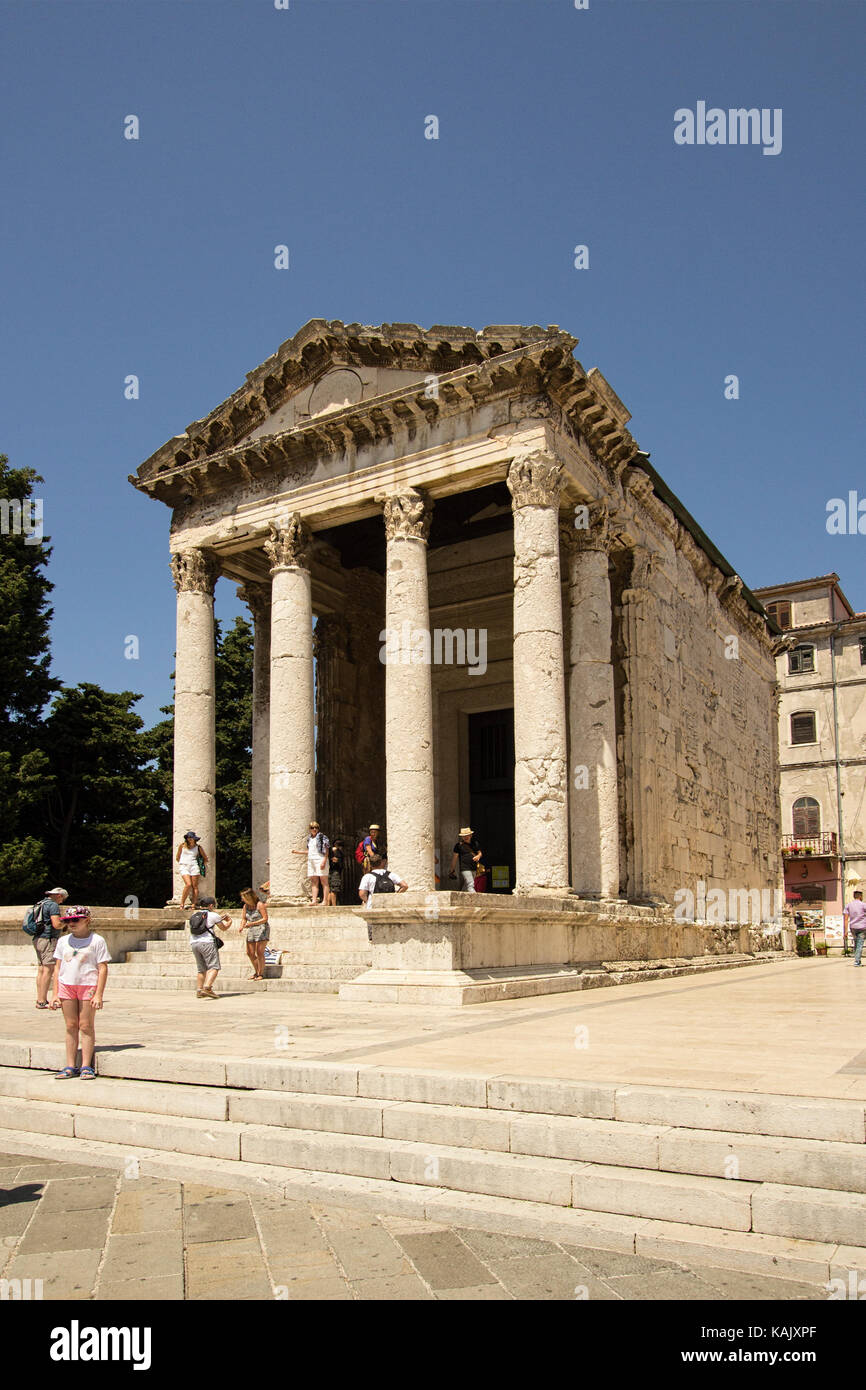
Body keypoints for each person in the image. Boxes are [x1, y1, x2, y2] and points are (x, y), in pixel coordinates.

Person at [50, 907, 110, 1080]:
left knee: (85, 1025)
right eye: (68, 921)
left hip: (88, 985)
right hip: (67, 985)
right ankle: (70, 1064)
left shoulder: (97, 940)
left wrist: (99, 994)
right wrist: (55, 994)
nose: (71, 924)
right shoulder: (63, 941)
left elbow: (102, 967)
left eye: (75, 920)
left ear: (87, 920)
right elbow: (58, 967)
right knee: (70, 1025)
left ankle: (85, 1064)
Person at [30, 887, 68, 1010]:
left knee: (41, 969)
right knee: (48, 969)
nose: (62, 902)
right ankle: (42, 1001)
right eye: (63, 898)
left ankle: (40, 998)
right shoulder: (53, 906)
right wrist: (66, 923)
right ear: (59, 896)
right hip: (48, 939)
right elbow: (56, 924)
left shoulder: (41, 903)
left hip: (37, 939)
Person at [189, 895, 231, 998]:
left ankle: (199, 990)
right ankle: (207, 988)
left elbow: (206, 924)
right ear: (211, 905)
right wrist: (229, 921)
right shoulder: (213, 915)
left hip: (194, 943)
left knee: (201, 968)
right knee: (214, 967)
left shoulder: (194, 915)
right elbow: (223, 928)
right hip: (207, 943)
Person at [292, 821, 329, 905]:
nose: (314, 829)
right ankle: (314, 900)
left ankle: (325, 901)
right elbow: (310, 851)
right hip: (311, 860)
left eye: (316, 827)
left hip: (320, 859)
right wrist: (298, 852)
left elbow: (327, 850)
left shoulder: (322, 837)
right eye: (312, 828)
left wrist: (324, 861)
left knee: (324, 881)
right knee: (314, 881)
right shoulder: (309, 838)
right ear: (309, 829)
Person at [238, 888, 269, 981]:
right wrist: (241, 926)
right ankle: (256, 971)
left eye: (243, 897)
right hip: (251, 929)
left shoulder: (260, 905)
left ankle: (260, 973)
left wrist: (252, 923)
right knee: (250, 952)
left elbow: (265, 918)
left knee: (259, 952)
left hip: (261, 928)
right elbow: (244, 918)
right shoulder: (245, 906)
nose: (242, 899)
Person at [176, 831, 208, 910]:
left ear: (194, 839)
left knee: (195, 886)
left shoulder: (198, 847)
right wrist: (183, 863)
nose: (189, 839)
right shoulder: (182, 846)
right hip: (184, 866)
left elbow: (205, 858)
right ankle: (182, 903)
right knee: (188, 884)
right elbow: (177, 857)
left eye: (191, 838)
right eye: (188, 838)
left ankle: (193, 904)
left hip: (194, 866)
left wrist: (201, 865)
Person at [450, 827, 483, 893]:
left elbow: (480, 853)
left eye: (467, 835)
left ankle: (460, 900)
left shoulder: (475, 843)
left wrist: (478, 856)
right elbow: (454, 858)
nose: (465, 837)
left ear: (471, 835)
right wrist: (452, 870)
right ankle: (475, 899)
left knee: (466, 886)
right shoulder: (458, 846)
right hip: (464, 868)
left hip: (473, 867)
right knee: (470, 884)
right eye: (463, 836)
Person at [844, 890, 866, 965]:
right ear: (860, 896)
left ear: (854, 896)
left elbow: (846, 919)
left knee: (856, 943)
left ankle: (858, 960)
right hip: (862, 927)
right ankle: (857, 961)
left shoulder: (848, 905)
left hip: (853, 927)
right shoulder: (863, 905)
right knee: (860, 944)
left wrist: (845, 931)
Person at [327, 840, 345, 907]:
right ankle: (334, 905)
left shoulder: (329, 852)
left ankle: (328, 904)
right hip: (335, 872)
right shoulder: (338, 853)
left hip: (329, 871)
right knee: (334, 889)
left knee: (330, 889)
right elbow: (340, 864)